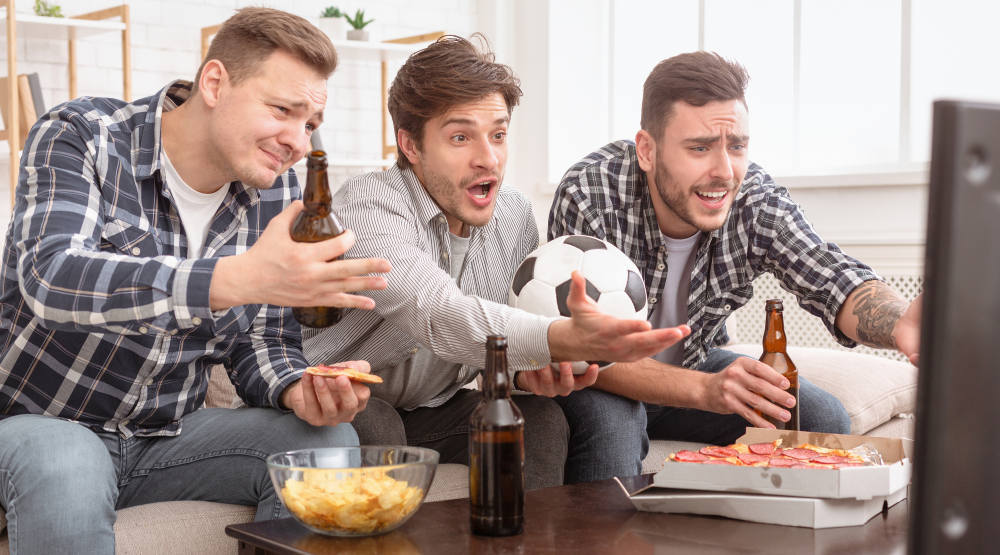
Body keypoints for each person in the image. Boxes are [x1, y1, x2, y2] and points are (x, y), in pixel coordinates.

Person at [0, 8, 392, 554]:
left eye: (309, 123)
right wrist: (233, 278)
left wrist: (298, 387)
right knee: (66, 460)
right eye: (283, 110)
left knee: (326, 442)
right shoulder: (83, 136)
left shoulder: (274, 193)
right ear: (214, 83)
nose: (299, 141)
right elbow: (52, 277)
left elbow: (265, 340)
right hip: (44, 422)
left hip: (167, 436)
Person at [303, 36, 688, 490]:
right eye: (460, 137)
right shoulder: (369, 204)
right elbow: (437, 312)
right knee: (376, 422)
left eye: (499, 134)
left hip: (434, 408)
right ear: (410, 145)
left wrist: (536, 372)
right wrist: (556, 338)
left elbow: (501, 346)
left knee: (539, 421)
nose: (488, 158)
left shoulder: (514, 215)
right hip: (341, 401)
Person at [547, 51, 922, 482]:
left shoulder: (753, 200)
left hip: (693, 362)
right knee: (615, 429)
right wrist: (707, 390)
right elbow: (583, 351)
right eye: (700, 148)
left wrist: (898, 324)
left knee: (821, 417)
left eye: (737, 146)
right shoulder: (592, 193)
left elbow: (831, 275)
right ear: (647, 151)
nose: (724, 171)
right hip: (605, 380)